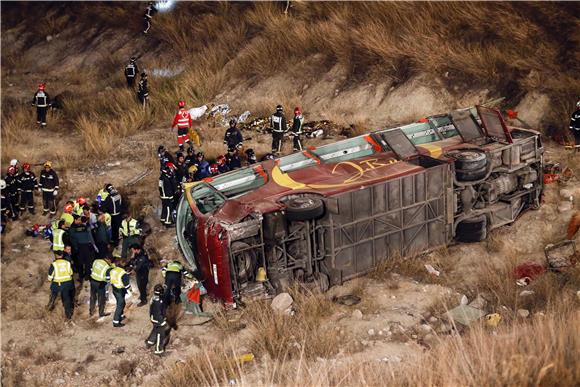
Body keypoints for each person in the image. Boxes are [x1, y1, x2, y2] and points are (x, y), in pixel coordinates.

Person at [47, 251, 75, 320]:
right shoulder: (67, 263)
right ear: (62, 255)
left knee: (53, 292)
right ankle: (68, 316)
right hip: (68, 284)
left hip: (58, 283)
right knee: (66, 299)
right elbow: (71, 273)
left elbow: (49, 278)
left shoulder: (54, 264)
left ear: (56, 256)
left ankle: (50, 305)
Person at [69, 215, 96, 284]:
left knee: (80, 262)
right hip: (87, 246)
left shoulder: (76, 229)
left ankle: (81, 276)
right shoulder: (86, 227)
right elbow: (90, 237)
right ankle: (87, 275)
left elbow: (74, 238)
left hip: (79, 246)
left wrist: (76, 247)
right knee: (87, 262)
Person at [146, 284, 170, 355]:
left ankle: (150, 342)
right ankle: (158, 350)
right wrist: (162, 322)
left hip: (154, 318)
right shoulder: (158, 302)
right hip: (158, 319)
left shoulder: (154, 297)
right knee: (160, 334)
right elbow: (158, 313)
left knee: (155, 329)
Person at [109, 261, 131, 327]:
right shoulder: (124, 274)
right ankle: (116, 322)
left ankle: (120, 316)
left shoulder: (114, 270)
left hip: (114, 289)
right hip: (120, 291)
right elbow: (127, 286)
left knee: (122, 303)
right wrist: (131, 291)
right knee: (120, 305)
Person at [159, 162, 177, 228]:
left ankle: (163, 219)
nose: (172, 170)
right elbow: (167, 188)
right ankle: (167, 222)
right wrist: (170, 197)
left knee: (164, 208)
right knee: (169, 208)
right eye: (171, 168)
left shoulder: (162, 177)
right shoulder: (165, 178)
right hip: (166, 196)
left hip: (163, 196)